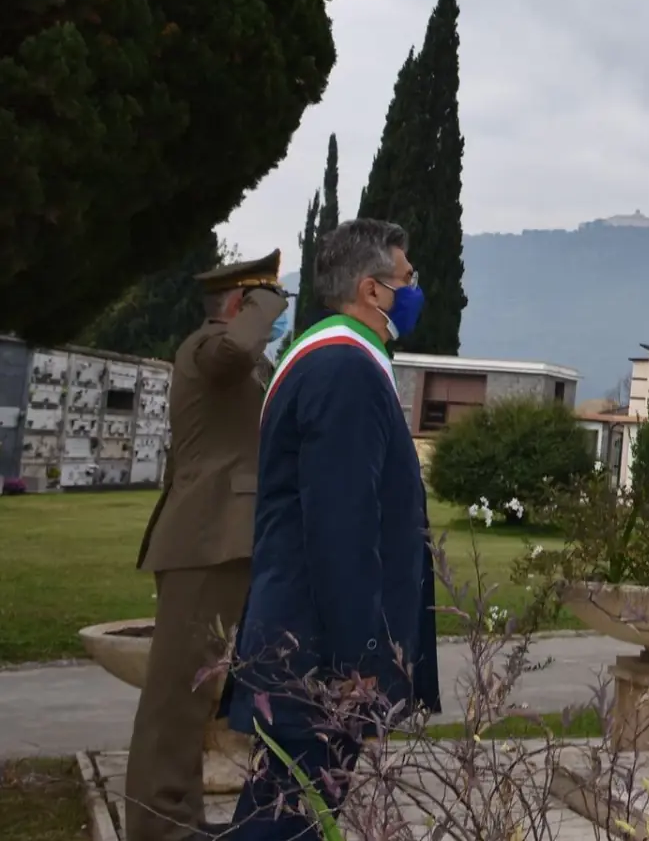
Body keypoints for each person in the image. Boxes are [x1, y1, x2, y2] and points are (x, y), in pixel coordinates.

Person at [221, 220, 441, 841]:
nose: (416, 289)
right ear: (373, 291)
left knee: (285, 817)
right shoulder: (344, 368)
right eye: (408, 277)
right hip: (319, 661)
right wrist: (358, 662)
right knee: (290, 824)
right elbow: (341, 528)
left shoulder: (331, 357)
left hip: (305, 650)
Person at [125, 253, 289, 841]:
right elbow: (236, 350)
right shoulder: (208, 348)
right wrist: (267, 301)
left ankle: (179, 824)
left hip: (228, 537)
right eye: (262, 303)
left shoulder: (237, 363)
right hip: (204, 538)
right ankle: (159, 829)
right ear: (235, 305)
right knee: (175, 702)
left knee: (195, 698)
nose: (274, 314)